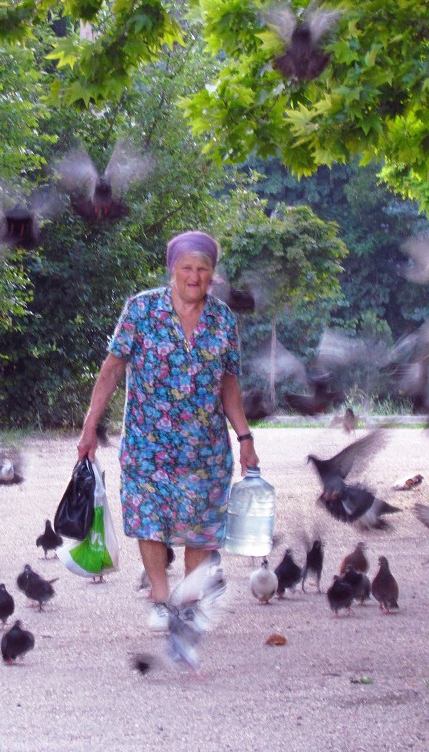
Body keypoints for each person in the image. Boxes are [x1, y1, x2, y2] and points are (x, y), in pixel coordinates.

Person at [76, 230, 260, 630]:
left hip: (205, 448)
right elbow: (111, 371)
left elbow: (229, 383)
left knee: (202, 526)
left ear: (213, 274)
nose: (194, 276)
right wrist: (90, 428)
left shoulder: (223, 320)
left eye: (203, 269)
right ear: (172, 270)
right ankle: (161, 598)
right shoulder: (141, 310)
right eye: (187, 268)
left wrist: (245, 437)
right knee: (150, 520)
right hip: (148, 444)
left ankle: (189, 602)